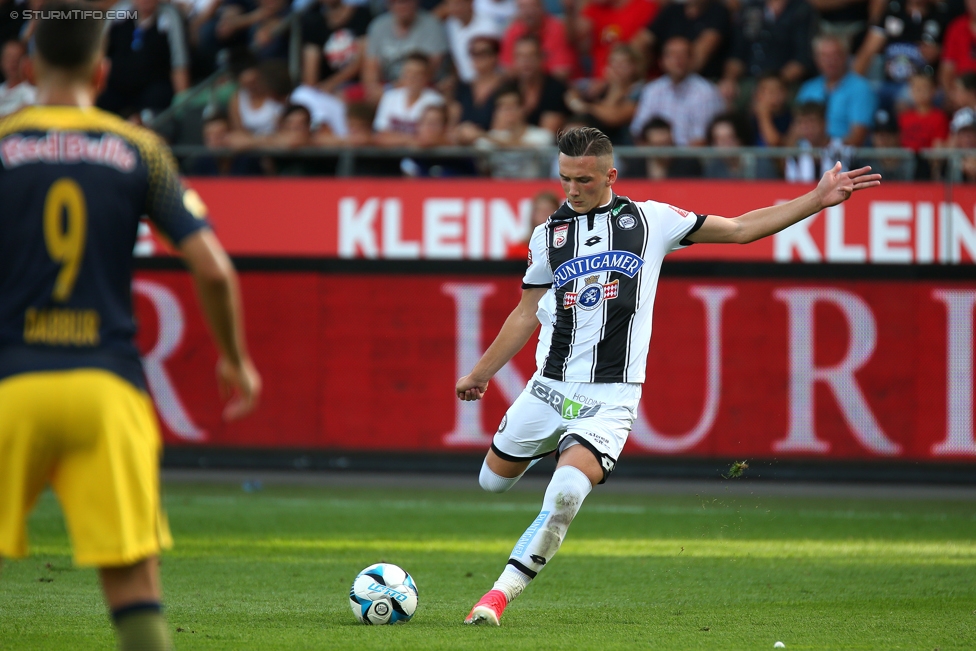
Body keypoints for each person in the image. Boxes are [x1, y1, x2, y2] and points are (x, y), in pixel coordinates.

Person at [456, 125, 880, 627]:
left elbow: (742, 228)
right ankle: (545, 445)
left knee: (566, 494)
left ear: (610, 175)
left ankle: (498, 596)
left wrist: (816, 199)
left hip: (611, 397)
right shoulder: (548, 235)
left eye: (584, 180)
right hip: (547, 389)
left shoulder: (652, 220)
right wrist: (481, 372)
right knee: (491, 483)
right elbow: (527, 312)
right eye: (566, 178)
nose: (572, 190)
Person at [0, 5, 262, 651]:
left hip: (11, 384)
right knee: (133, 584)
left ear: (28, 67)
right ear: (103, 67)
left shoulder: (3, 146)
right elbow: (214, 269)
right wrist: (234, 357)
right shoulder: (138, 149)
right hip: (106, 388)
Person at [629, 36, 725, 146]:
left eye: (683, 55)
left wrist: (674, 160)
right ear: (662, 61)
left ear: (692, 60)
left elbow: (702, 140)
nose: (678, 59)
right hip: (655, 155)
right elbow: (638, 132)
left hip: (692, 159)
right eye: (672, 55)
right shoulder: (652, 90)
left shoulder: (706, 92)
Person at [794, 33, 877, 146]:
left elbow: (857, 138)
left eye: (835, 55)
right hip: (806, 157)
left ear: (846, 56)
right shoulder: (808, 88)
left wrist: (825, 150)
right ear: (816, 59)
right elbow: (795, 132)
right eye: (824, 56)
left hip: (844, 158)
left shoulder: (861, 88)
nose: (830, 61)